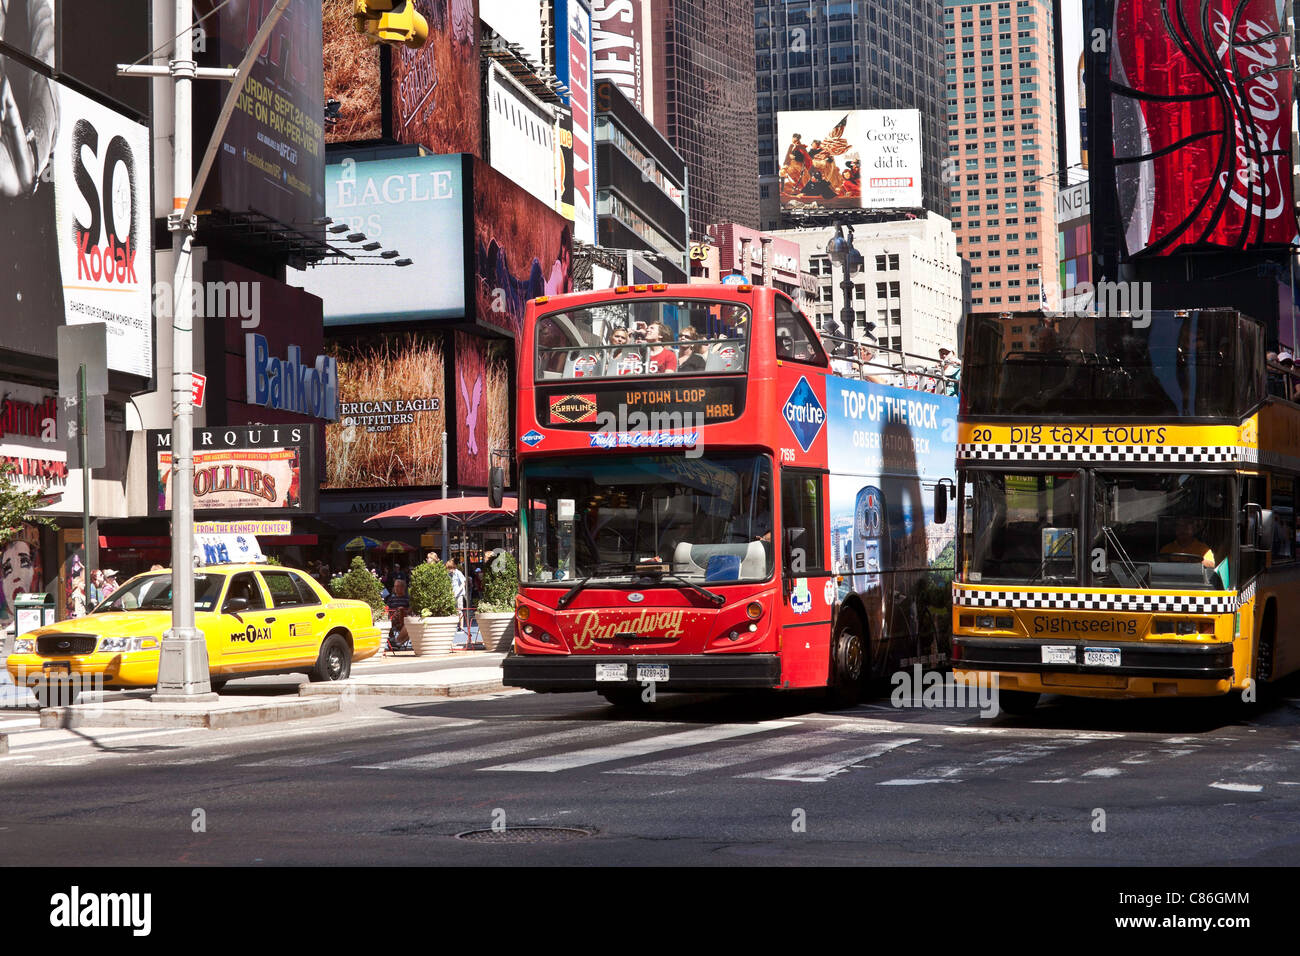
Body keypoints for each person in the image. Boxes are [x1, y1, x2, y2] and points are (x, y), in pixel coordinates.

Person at [446, 559, 468, 634]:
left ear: (453, 567)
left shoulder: (458, 573)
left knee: (459, 610)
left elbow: (463, 583)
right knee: (453, 610)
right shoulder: (449, 574)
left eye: (449, 568)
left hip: (459, 595)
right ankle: (455, 625)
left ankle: (461, 627)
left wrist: (458, 590)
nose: (449, 570)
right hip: (452, 594)